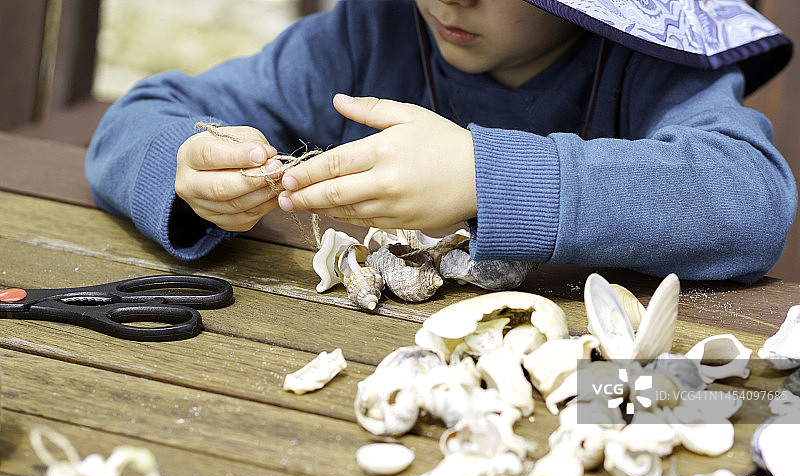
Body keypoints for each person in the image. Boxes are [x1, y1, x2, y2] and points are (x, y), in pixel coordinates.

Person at [86, 0, 795, 283]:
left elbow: (748, 196)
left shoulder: (646, 67)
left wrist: (484, 178)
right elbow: (144, 112)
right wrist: (186, 168)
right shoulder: (366, 35)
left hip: (603, 395)